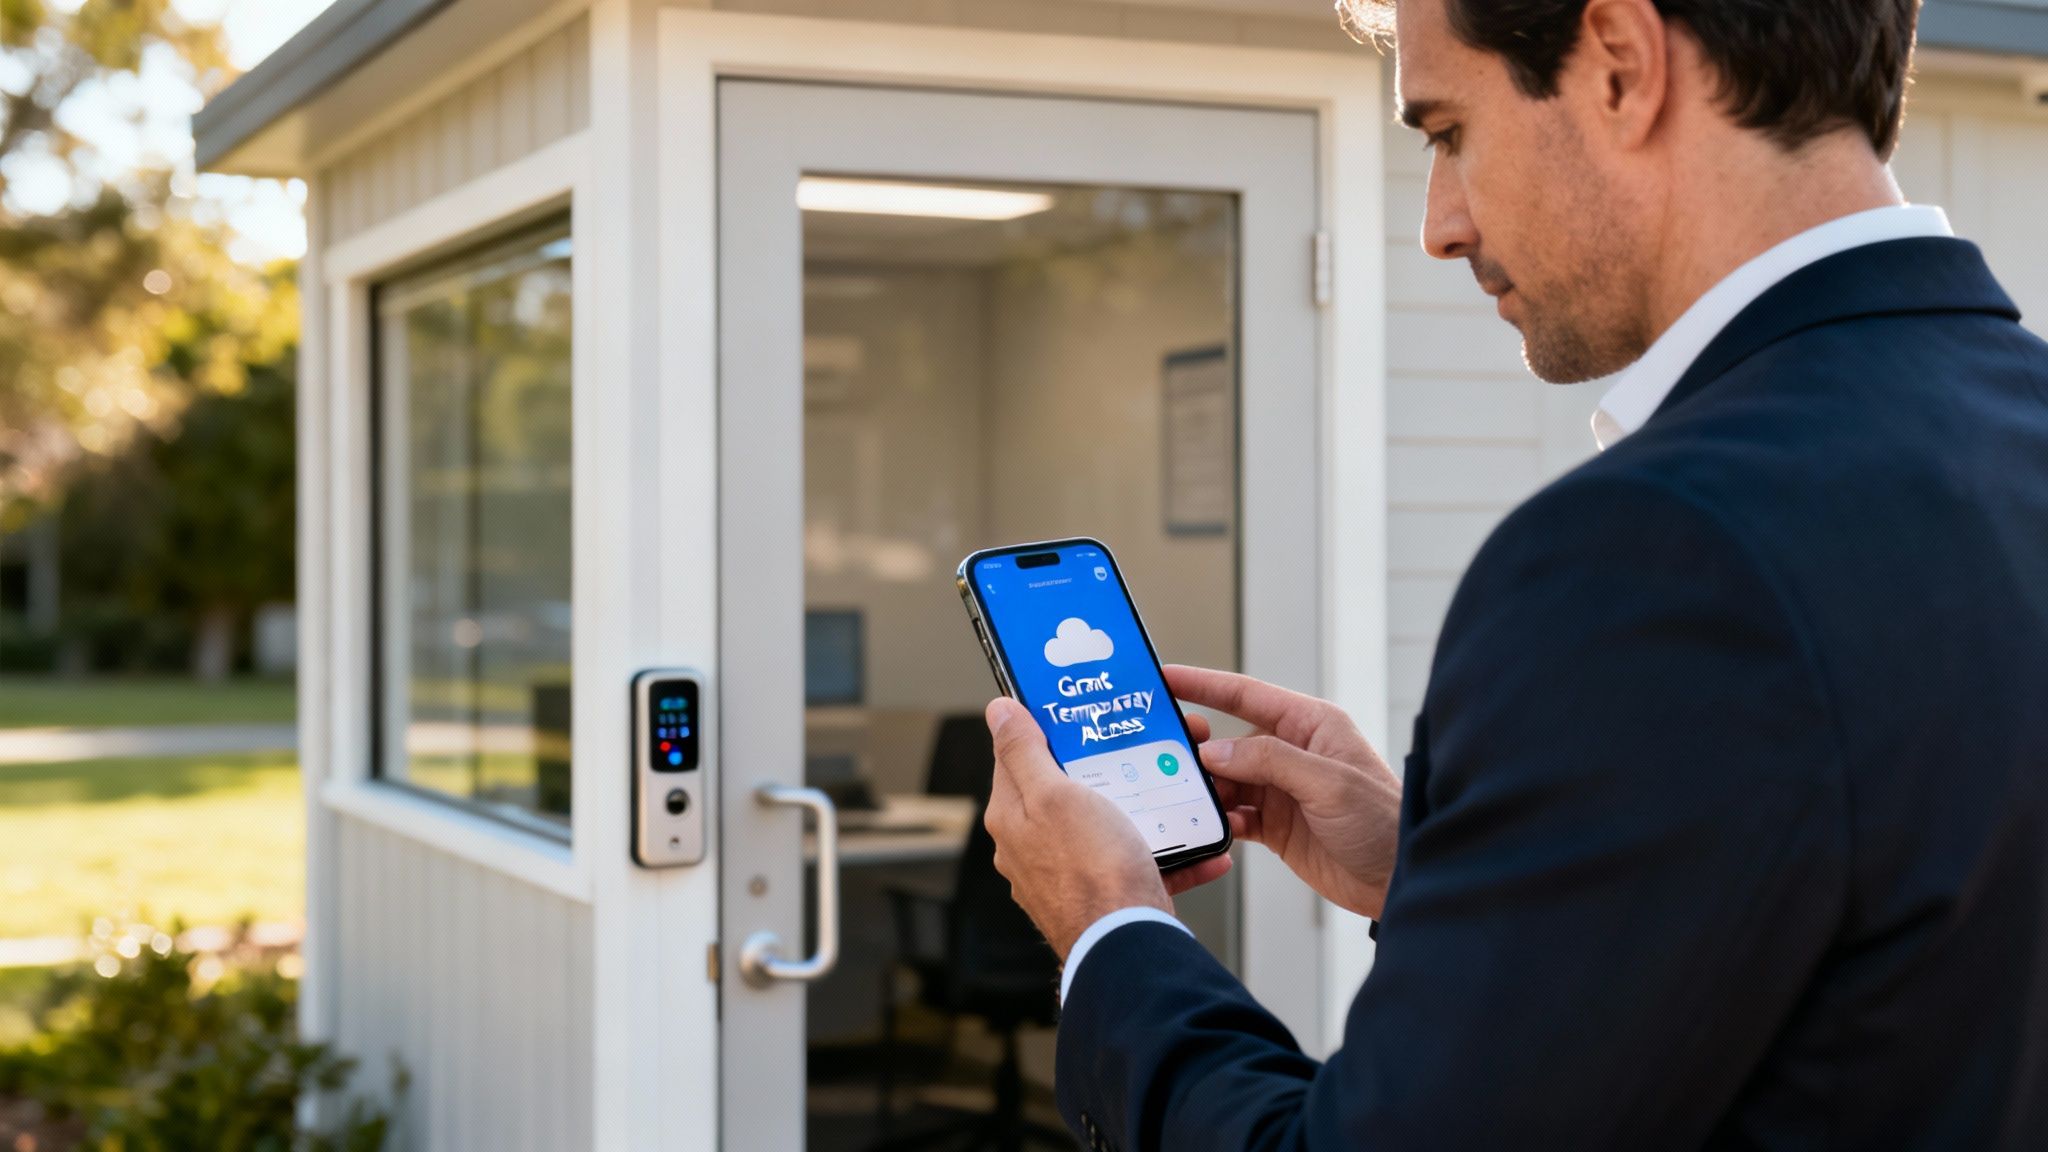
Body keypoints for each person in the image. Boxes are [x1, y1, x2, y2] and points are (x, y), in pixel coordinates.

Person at [979, 0, 2048, 1147]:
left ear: (1620, 64)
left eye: (1448, 132)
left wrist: (1111, 927)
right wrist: (1444, 873)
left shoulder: (1655, 548)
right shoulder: (2013, 429)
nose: (1437, 227)